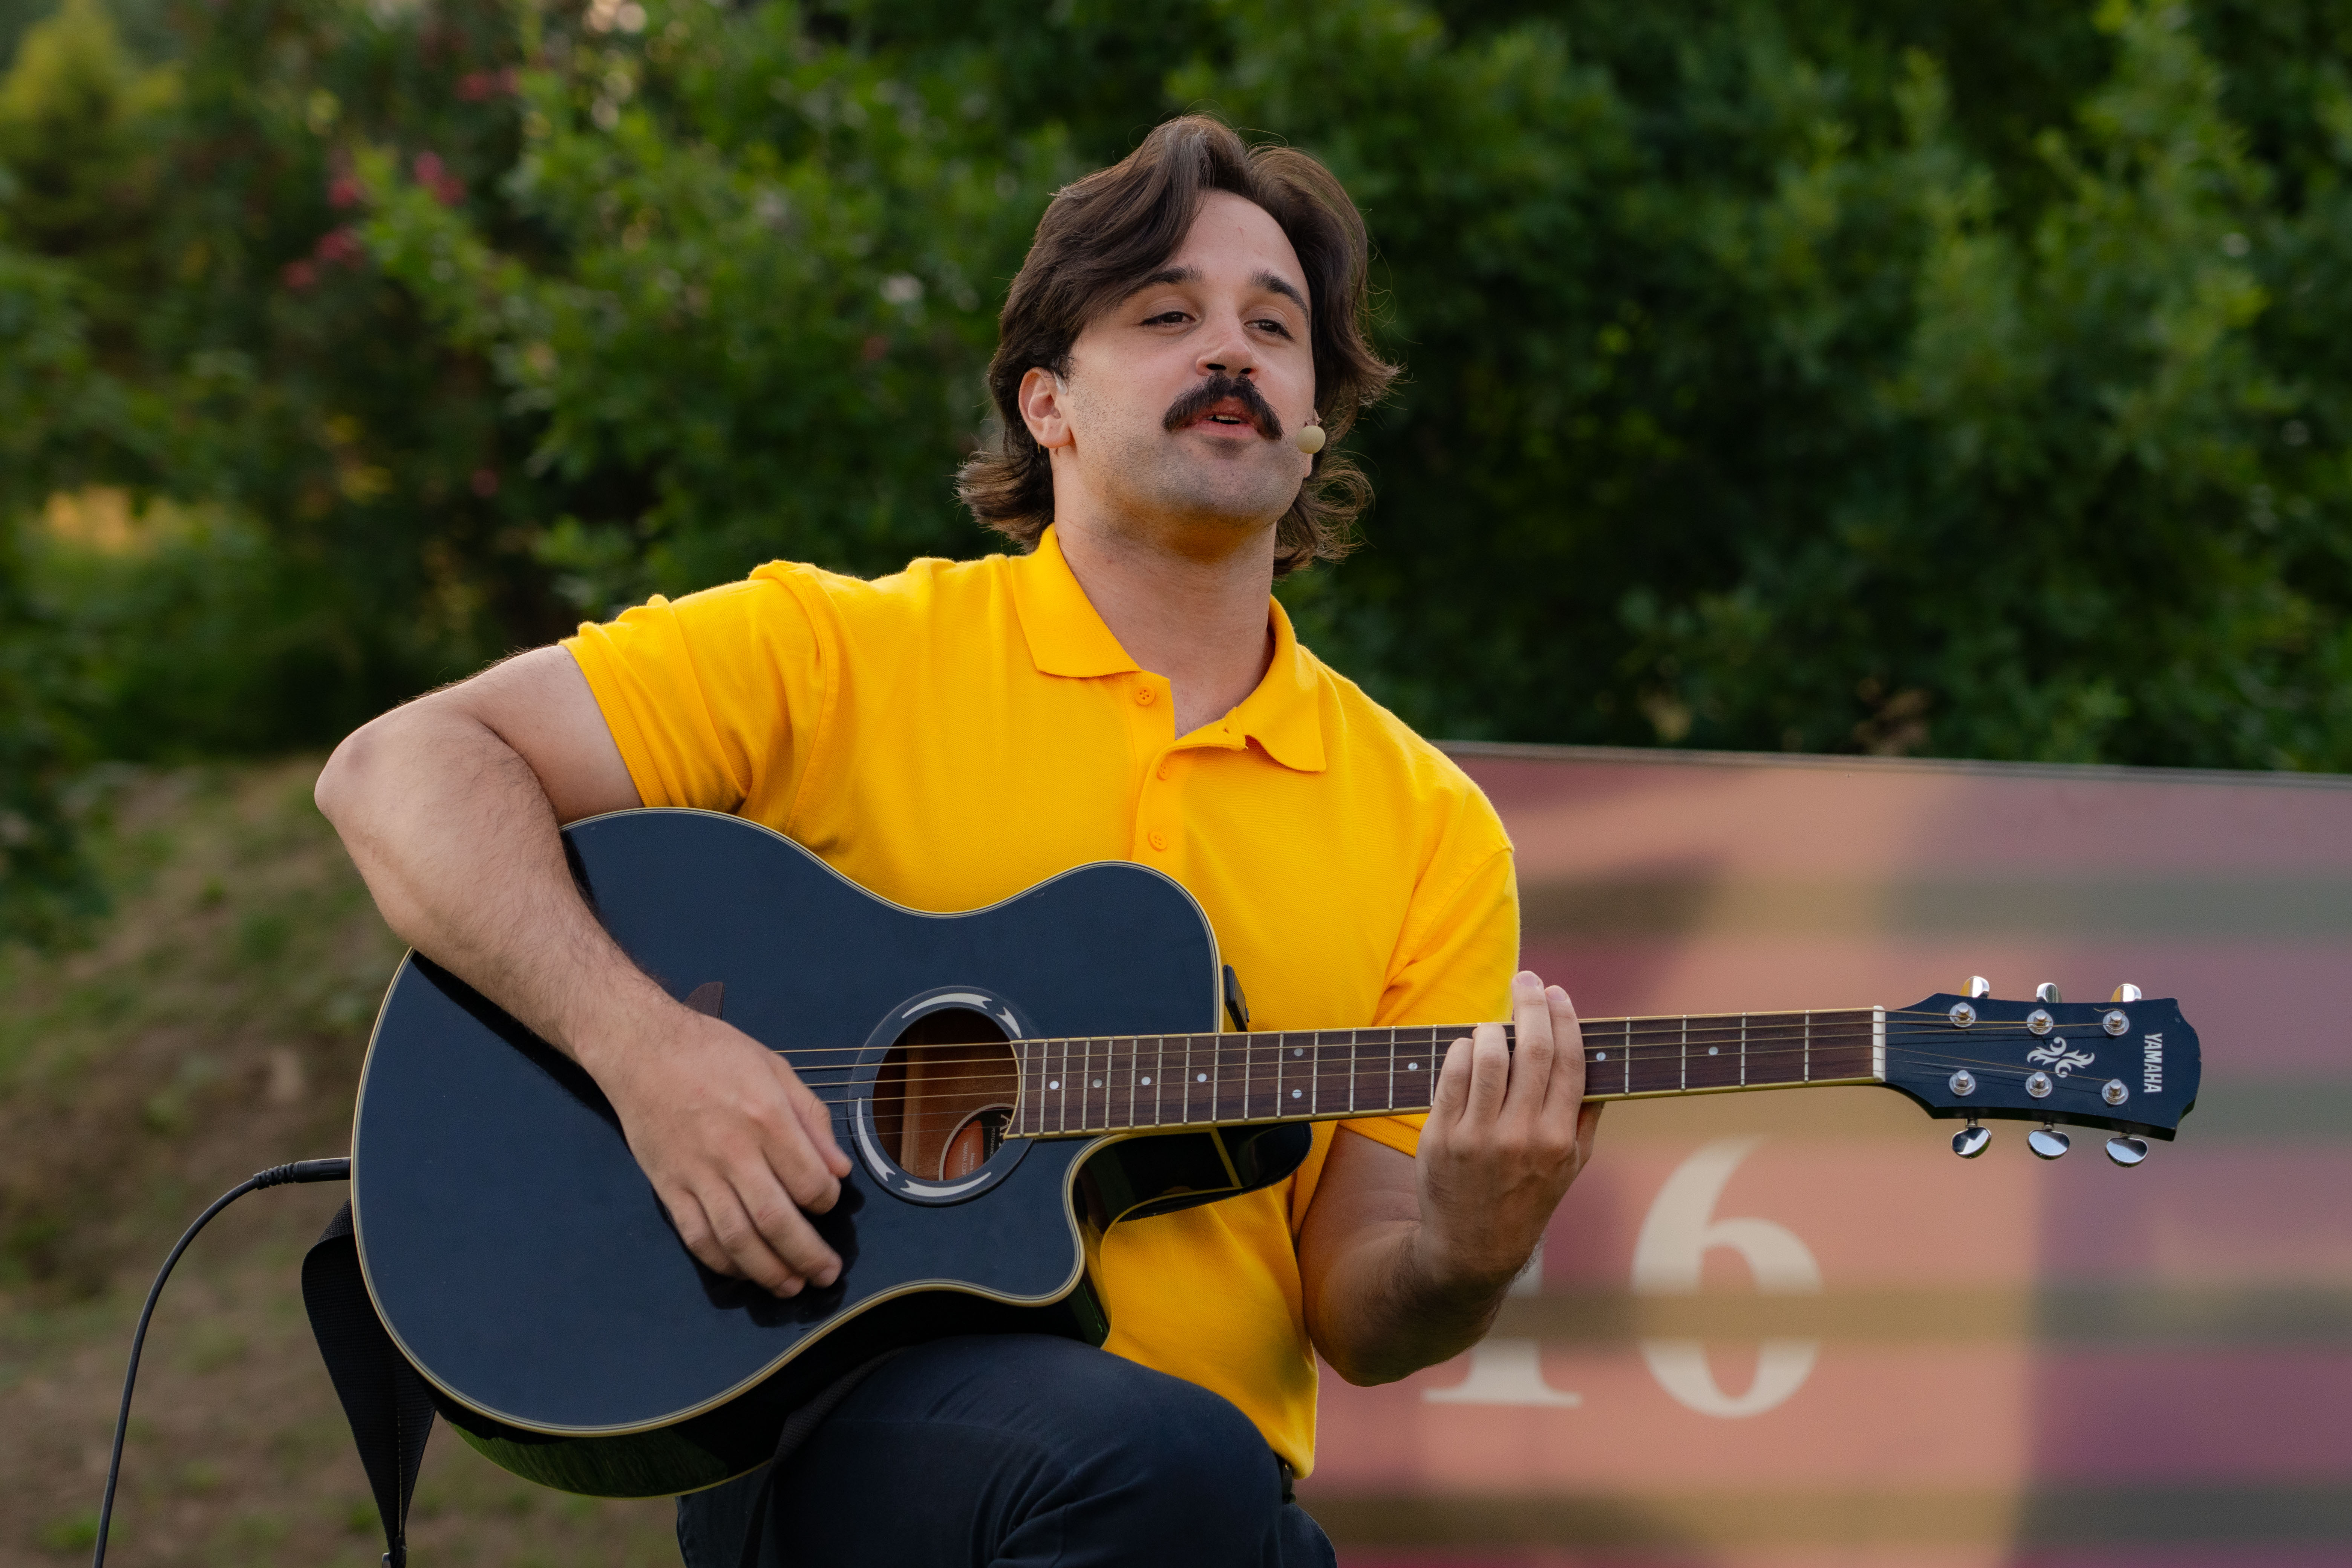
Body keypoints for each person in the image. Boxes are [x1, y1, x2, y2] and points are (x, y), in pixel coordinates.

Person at [315, 114, 1602, 1567]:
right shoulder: (841, 654)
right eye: (1166, 315)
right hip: (823, 1412)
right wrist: (648, 1054)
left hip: (1196, 1517)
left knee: (1230, 1512)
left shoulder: (1430, 824)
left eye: (1274, 325)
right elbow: (399, 772)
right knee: (1162, 1465)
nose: (1230, 352)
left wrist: (1469, 1252)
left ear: (1315, 421)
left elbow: (1362, 1314)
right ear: (1048, 405)